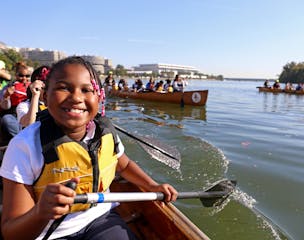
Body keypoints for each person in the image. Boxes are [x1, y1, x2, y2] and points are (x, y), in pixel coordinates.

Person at [0, 56, 178, 240]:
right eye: (63, 88)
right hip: (49, 233)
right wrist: (41, 212)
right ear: (45, 95)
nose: (76, 98)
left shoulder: (105, 133)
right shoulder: (24, 146)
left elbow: (123, 165)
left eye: (87, 90)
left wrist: (152, 185)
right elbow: (13, 233)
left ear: (99, 96)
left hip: (99, 219)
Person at [0, 62, 31, 143]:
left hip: (29, 112)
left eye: (27, 76)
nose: (24, 78)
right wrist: (6, 96)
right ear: (16, 75)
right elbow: (4, 107)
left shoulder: (32, 86)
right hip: (14, 115)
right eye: (21, 75)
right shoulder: (9, 87)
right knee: (6, 119)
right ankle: (22, 140)